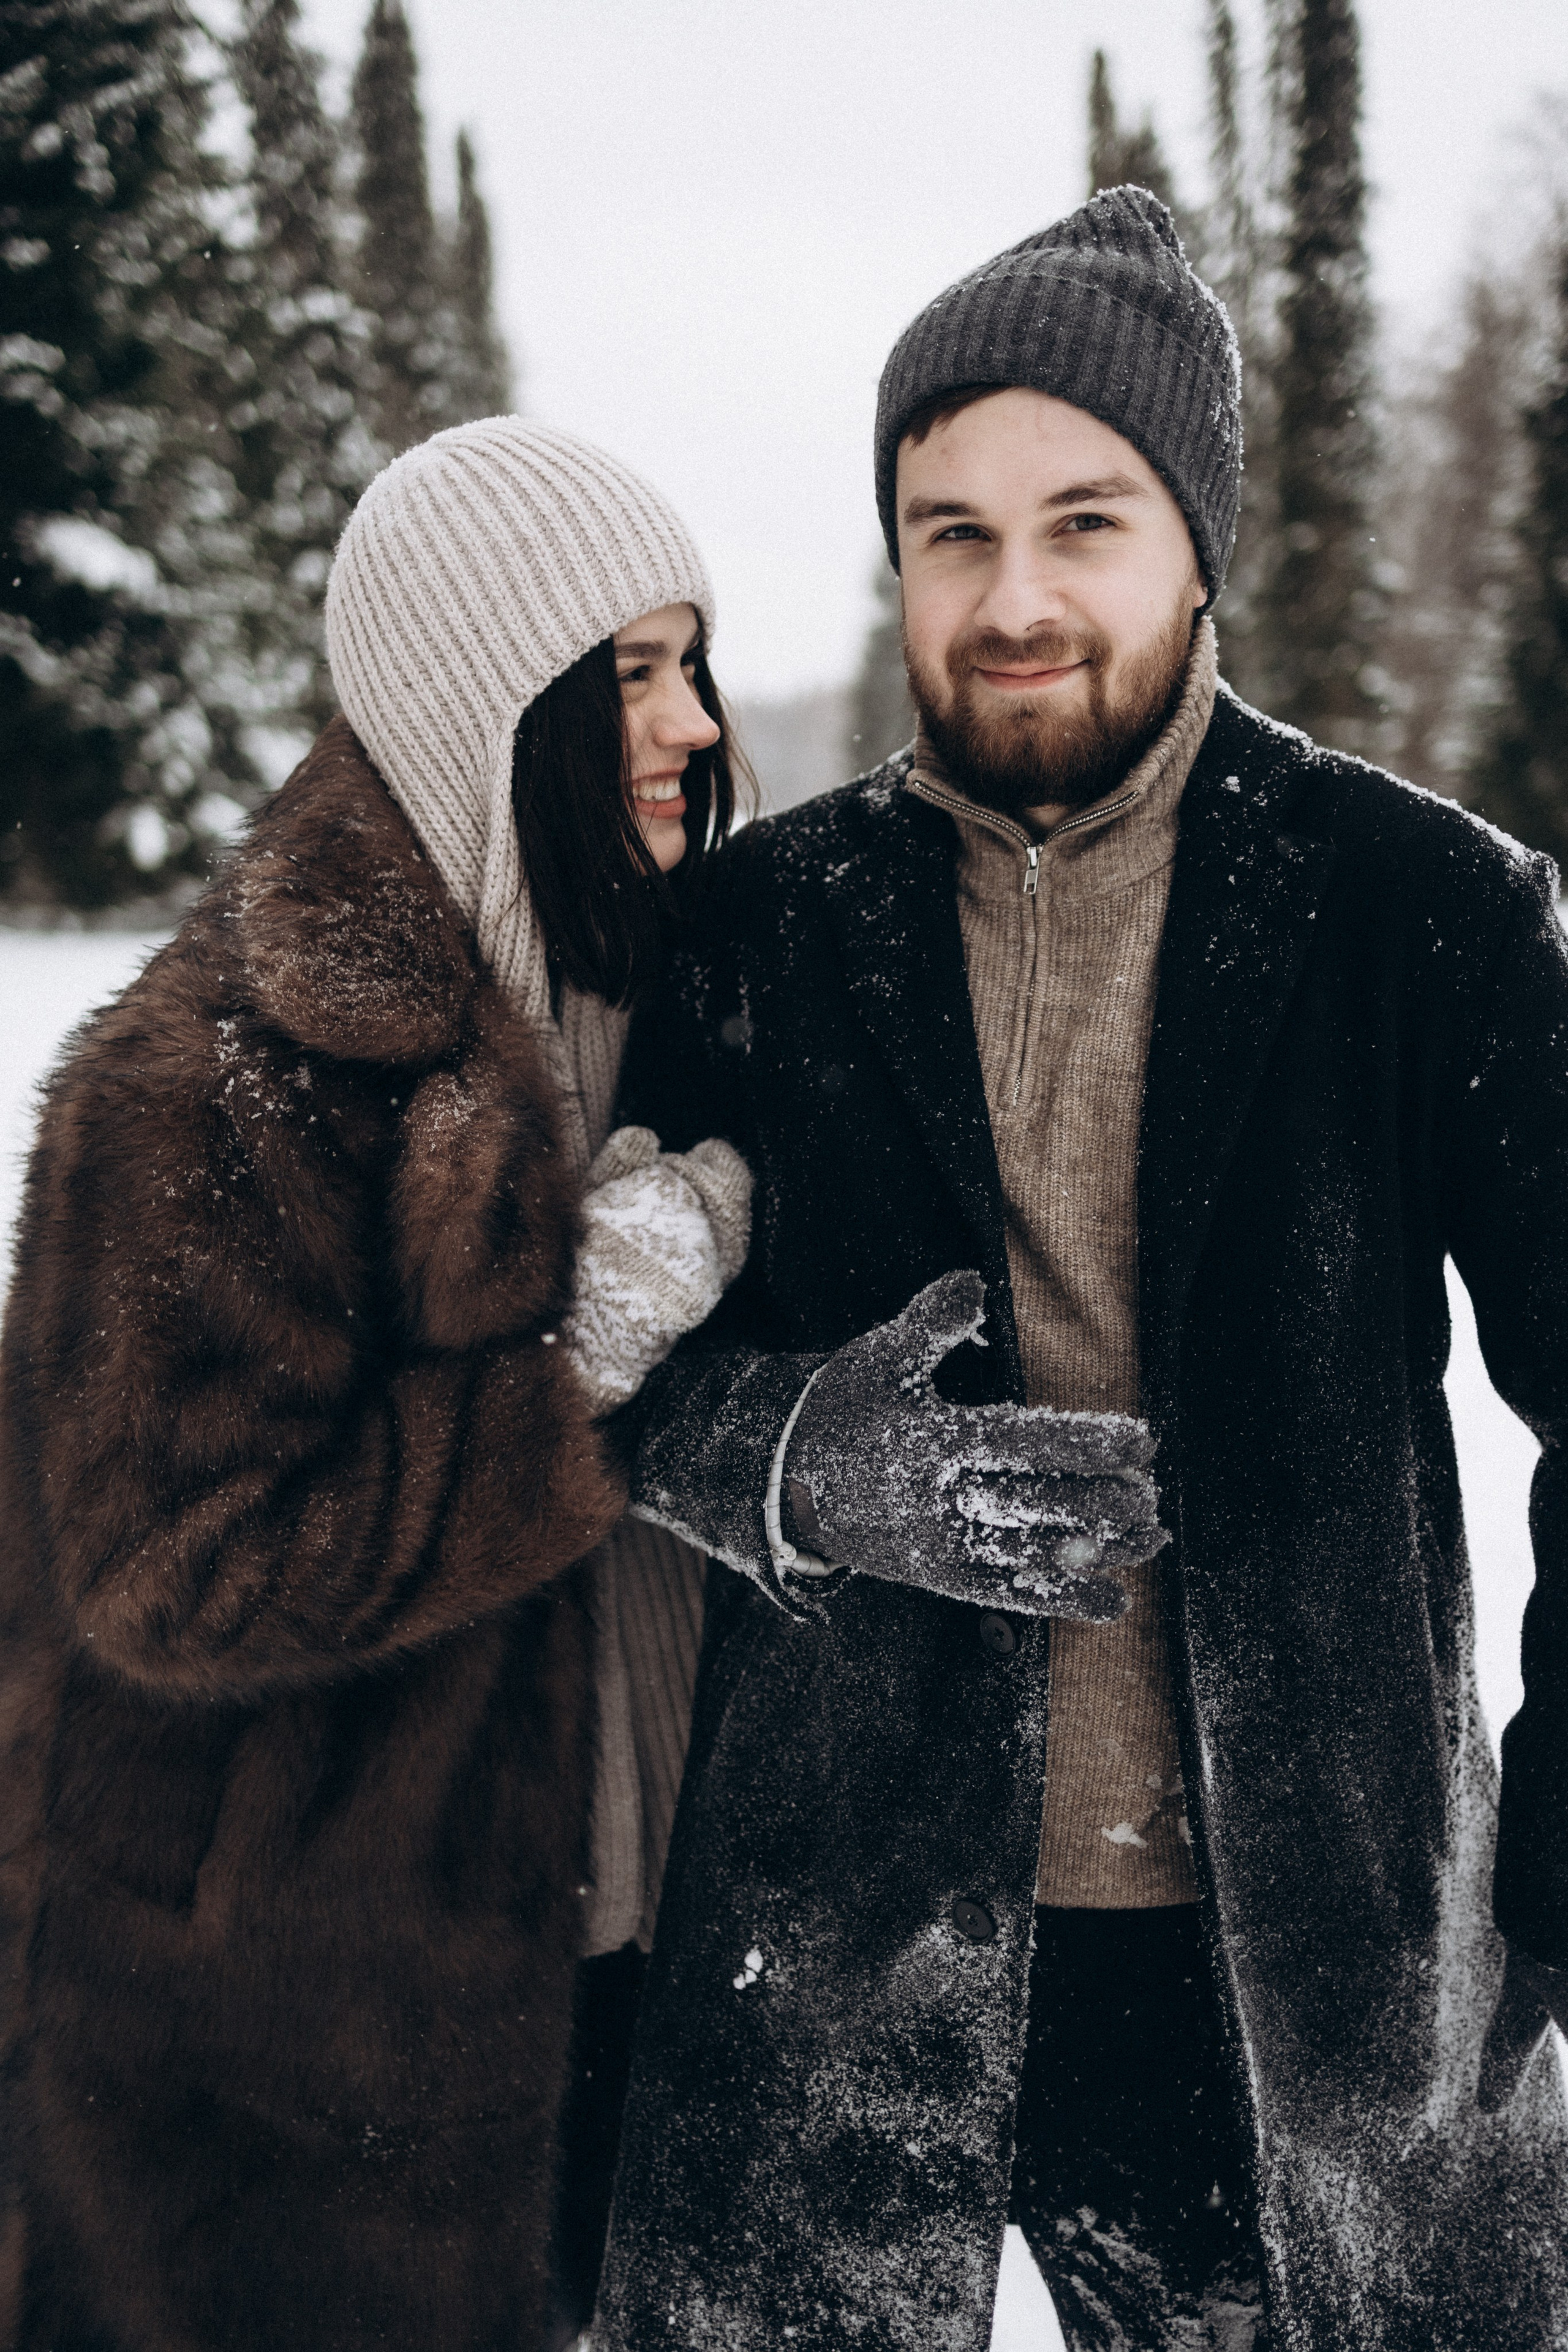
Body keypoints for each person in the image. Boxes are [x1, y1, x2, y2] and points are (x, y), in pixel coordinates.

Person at [590, 189, 1568, 2351]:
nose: (1014, 598)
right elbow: (599, 1361)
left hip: (1318, 1982)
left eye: (1084, 524)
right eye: (952, 534)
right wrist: (791, 1462)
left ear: (1199, 548)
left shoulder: (1424, 911)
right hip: (832, 1966)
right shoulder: (756, 932)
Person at [0, 417, 753, 2352]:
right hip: (289, 2046)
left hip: (621, 1961)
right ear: (485, 703)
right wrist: (578, 1356)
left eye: (694, 664)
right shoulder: (200, 1086)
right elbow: (173, 1568)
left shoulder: (652, 989)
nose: (692, 725)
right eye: (632, 676)